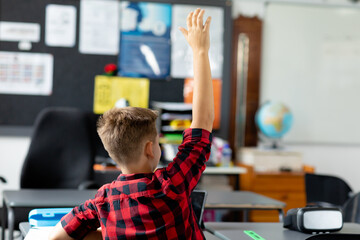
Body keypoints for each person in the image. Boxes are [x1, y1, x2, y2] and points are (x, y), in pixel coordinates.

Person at [49, 8, 214, 240]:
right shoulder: (173, 184)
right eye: (157, 141)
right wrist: (200, 50)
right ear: (149, 149)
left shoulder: (103, 200)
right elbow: (203, 120)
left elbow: (56, 238)